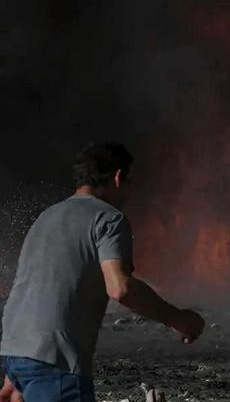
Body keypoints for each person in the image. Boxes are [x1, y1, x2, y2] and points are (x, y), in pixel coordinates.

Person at [0, 142, 205, 402]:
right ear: (118, 177)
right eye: (130, 182)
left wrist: (16, 372)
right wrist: (179, 319)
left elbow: (29, 288)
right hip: (58, 364)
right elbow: (121, 289)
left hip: (17, 355)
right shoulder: (108, 218)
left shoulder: (46, 218)